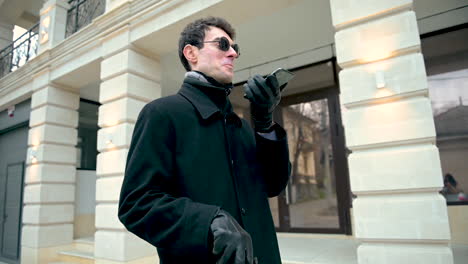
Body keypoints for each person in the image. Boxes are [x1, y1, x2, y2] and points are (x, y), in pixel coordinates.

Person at [118, 16, 291, 264]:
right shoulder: (162, 114)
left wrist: (264, 123)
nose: (232, 53)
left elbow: (274, 185)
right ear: (191, 53)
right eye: (222, 45)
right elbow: (136, 204)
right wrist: (208, 221)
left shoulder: (240, 126)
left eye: (235, 48)